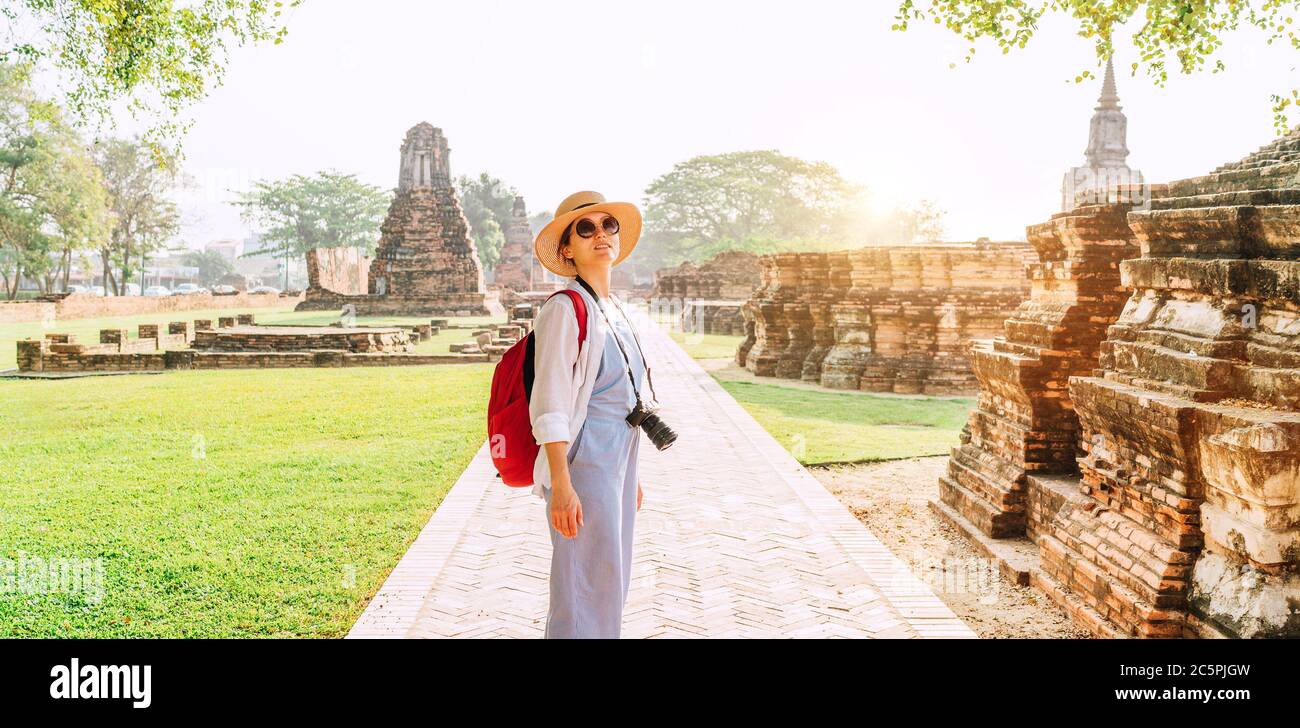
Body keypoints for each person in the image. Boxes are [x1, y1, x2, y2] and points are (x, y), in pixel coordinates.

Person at [528, 190, 651, 639]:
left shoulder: (614, 309)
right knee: (580, 586)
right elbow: (551, 403)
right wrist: (561, 484)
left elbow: (622, 396)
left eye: (608, 225)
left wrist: (629, 473)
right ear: (568, 248)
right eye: (586, 228)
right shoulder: (565, 309)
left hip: (617, 459)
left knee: (608, 580)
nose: (601, 235)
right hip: (583, 464)